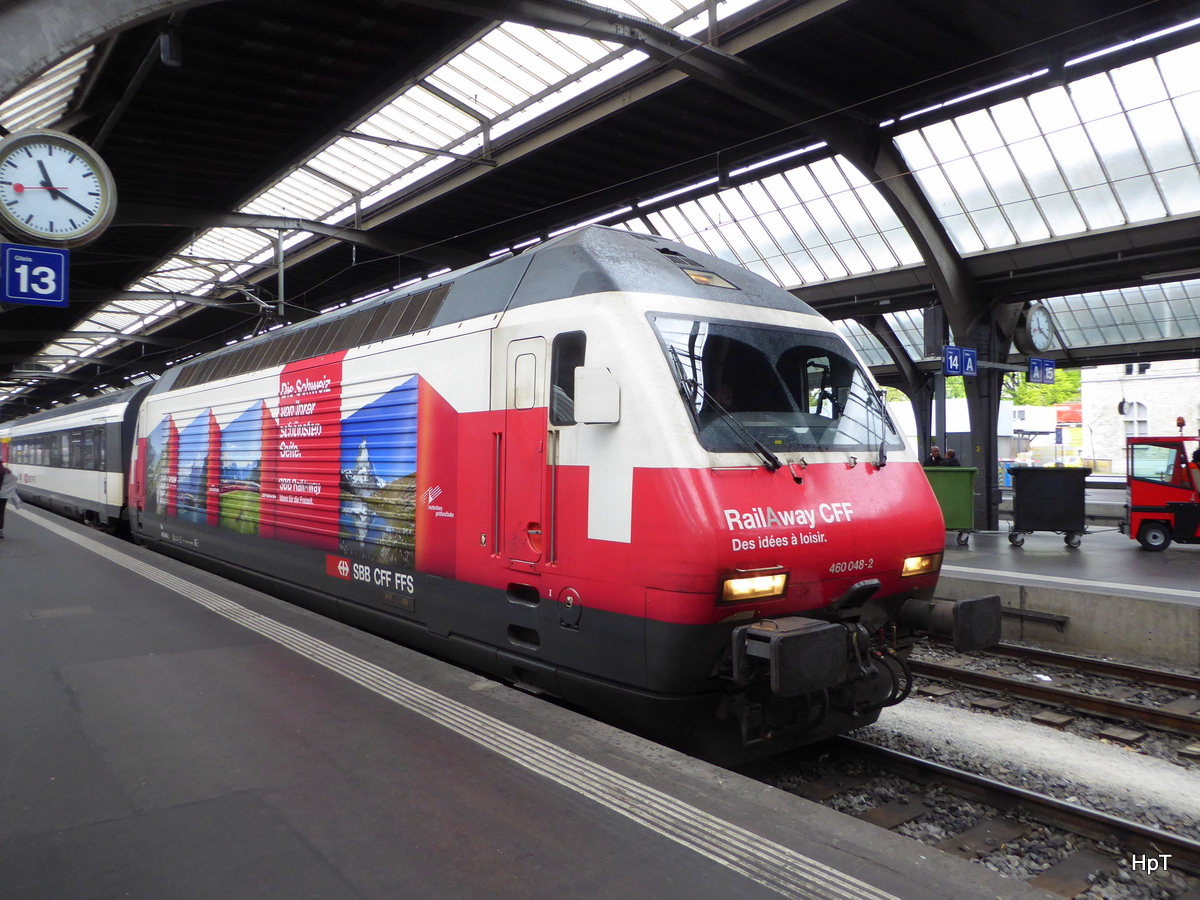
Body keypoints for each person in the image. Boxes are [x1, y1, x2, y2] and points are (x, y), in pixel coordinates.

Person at [0, 463, 20, 539]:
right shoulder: (6, 472)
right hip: (3, 496)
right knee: (1, 513)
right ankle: (0, 531)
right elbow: (14, 478)